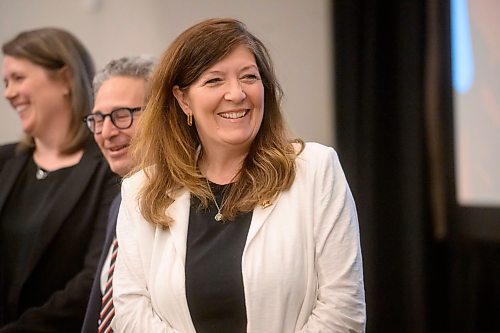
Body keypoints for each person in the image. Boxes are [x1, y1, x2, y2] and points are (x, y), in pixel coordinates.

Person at [113, 18, 366, 332]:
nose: (236, 93)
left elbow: (343, 310)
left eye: (249, 77)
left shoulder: (315, 170)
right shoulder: (142, 190)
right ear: (183, 99)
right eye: (215, 80)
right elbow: (130, 312)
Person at [0, 27, 119, 332]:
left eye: (18, 78)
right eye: (5, 82)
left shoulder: (108, 168)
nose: (8, 93)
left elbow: (94, 278)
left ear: (65, 79)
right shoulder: (4, 161)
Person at [81, 55, 156, 333]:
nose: (107, 132)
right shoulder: (120, 203)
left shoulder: (190, 203)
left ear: (161, 114)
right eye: (98, 119)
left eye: (122, 116)